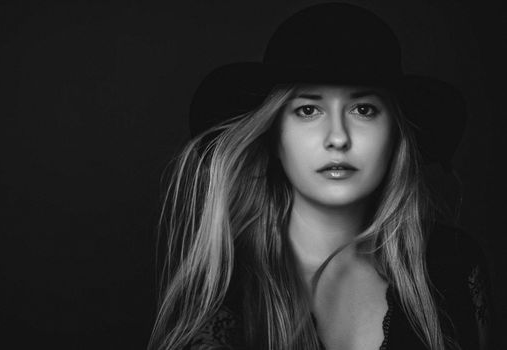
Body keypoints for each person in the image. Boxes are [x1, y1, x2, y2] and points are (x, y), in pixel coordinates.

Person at [147, 3, 491, 350]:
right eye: (308, 110)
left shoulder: (453, 265)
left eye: (364, 109)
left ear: (396, 133)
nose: (338, 137)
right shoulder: (223, 285)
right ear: (274, 135)